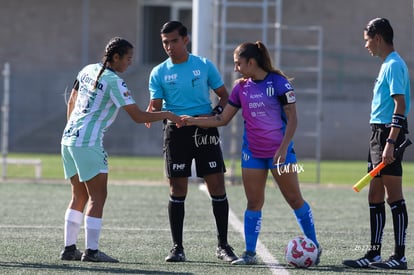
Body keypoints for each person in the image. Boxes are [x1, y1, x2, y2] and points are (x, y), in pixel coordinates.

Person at [183, 41, 321, 265]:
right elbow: (222, 119)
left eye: (238, 63)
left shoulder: (279, 83)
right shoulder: (240, 87)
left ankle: (314, 246)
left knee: (295, 199)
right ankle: (249, 253)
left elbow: (293, 119)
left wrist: (284, 148)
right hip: (252, 154)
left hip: (281, 153)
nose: (235, 68)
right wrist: (192, 122)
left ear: (251, 62)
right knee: (254, 203)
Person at [60, 37, 182, 263]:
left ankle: (69, 249)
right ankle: (92, 252)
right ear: (116, 57)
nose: (129, 63)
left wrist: (73, 130)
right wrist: (167, 114)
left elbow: (72, 101)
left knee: (79, 195)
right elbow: (138, 117)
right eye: (128, 58)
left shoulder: (87, 69)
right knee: (98, 196)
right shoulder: (114, 81)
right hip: (87, 143)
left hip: (68, 139)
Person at [145, 21, 237, 263]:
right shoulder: (158, 72)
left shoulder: (204, 65)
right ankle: (178, 248)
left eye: (174, 41)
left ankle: (223, 246)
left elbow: (225, 97)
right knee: (177, 190)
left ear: (185, 40)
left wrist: (211, 114)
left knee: (217, 186)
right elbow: (155, 107)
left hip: (204, 129)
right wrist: (152, 111)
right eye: (165, 42)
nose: (169, 46)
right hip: (175, 133)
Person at [342, 18, 410, 270]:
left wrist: (391, 141)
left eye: (367, 40)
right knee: (374, 194)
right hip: (377, 134)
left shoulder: (393, 65)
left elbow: (400, 105)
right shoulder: (387, 65)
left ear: (378, 37)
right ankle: (373, 254)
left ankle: (400, 257)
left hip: (387, 134)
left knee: (394, 196)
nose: (366, 45)